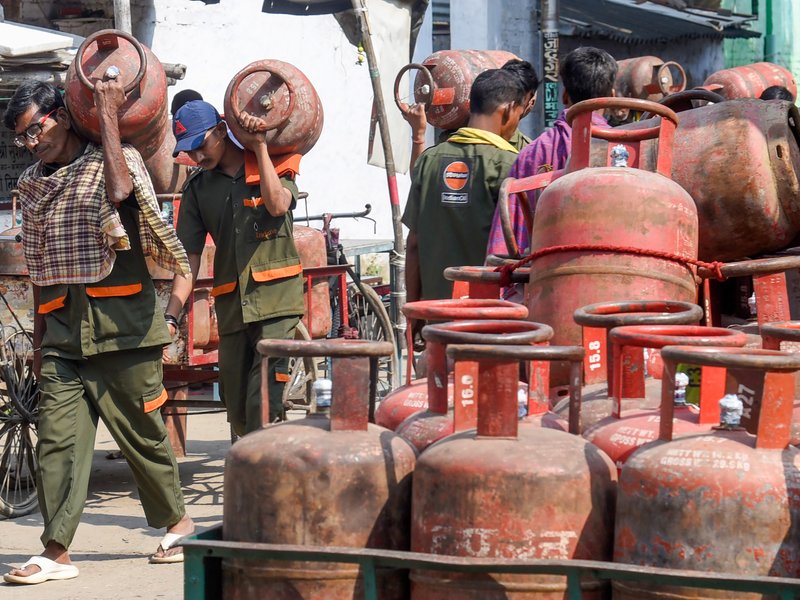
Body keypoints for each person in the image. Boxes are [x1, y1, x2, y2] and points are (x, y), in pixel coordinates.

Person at [2, 80, 194, 585]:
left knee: (143, 436)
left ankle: (178, 525)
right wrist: (40, 343)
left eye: (35, 130)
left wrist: (108, 116)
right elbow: (39, 268)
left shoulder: (114, 160)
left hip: (124, 329)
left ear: (63, 116)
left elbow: (120, 193)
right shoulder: (33, 184)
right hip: (64, 335)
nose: (31, 143)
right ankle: (56, 551)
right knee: (56, 442)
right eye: (22, 138)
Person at [164, 100, 304, 435]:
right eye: (190, 151)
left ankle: (266, 465)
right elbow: (188, 259)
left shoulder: (275, 163)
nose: (197, 156)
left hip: (277, 302)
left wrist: (260, 147)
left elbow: (277, 205)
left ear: (221, 131)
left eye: (201, 145)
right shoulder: (198, 189)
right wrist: (171, 316)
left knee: (263, 401)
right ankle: (255, 455)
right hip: (233, 308)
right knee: (236, 405)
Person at [485, 46, 617, 299]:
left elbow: (509, 233)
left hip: (543, 289)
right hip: (610, 285)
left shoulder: (532, 153)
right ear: (612, 95)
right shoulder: (627, 150)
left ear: (564, 95)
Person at [403, 66, 539, 305]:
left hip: (437, 313)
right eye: (519, 114)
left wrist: (413, 312)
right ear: (509, 109)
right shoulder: (512, 165)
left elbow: (413, 244)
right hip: (489, 315)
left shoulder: (428, 160)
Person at [399, 59, 538, 172]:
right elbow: (422, 177)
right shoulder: (454, 137)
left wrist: (418, 136)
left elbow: (420, 175)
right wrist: (418, 135)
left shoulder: (524, 153)